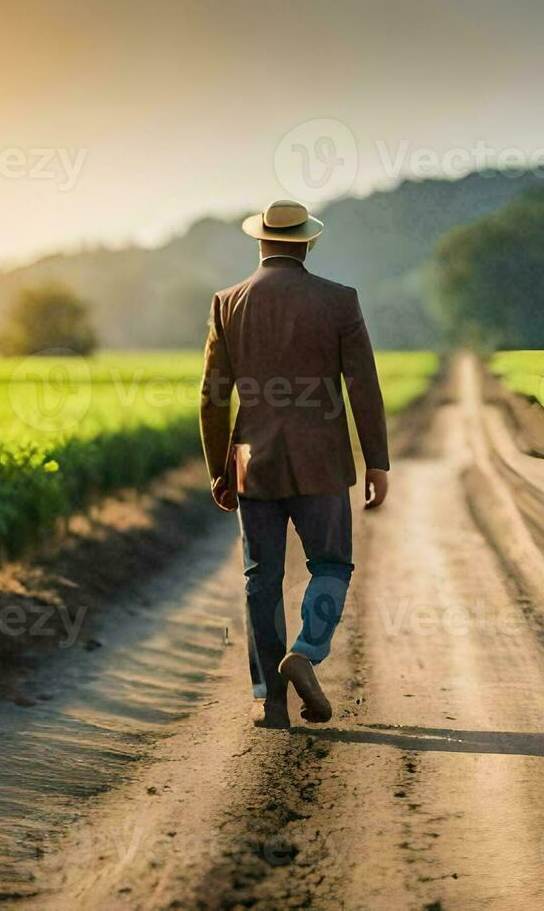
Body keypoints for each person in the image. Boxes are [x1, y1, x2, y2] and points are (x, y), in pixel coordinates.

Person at [199, 199, 390, 729]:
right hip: (322, 459)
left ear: (260, 242)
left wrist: (219, 467)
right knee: (331, 564)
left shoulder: (227, 303)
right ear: (307, 242)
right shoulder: (339, 301)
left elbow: (214, 397)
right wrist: (377, 462)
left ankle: (270, 701)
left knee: (260, 578)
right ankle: (305, 652)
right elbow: (363, 389)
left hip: (249, 460)